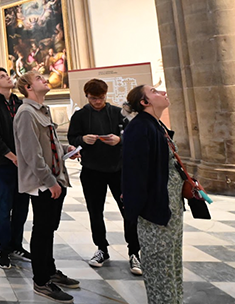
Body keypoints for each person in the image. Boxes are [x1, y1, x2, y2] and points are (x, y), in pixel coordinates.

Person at [14, 71, 79, 303]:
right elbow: (31, 154)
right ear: (28, 88)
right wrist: (50, 182)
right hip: (43, 183)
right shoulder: (25, 113)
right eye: (39, 78)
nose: (44, 79)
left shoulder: (42, 110)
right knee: (42, 230)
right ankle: (41, 281)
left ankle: (50, 270)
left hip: (54, 178)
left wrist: (65, 148)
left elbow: (46, 144)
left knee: (49, 227)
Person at [67, 79, 140, 275]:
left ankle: (134, 251)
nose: (97, 102)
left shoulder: (118, 113)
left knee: (128, 210)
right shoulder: (81, 115)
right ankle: (102, 249)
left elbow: (133, 136)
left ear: (106, 95)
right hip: (92, 170)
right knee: (95, 211)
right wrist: (82, 139)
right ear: (87, 97)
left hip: (119, 169)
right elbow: (72, 138)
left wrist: (119, 139)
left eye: (101, 98)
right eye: (93, 98)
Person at [121, 85, 183, 304]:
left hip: (170, 205)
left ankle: (174, 300)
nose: (164, 92)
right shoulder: (138, 128)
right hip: (155, 210)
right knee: (160, 267)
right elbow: (134, 174)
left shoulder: (156, 124)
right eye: (155, 91)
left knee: (172, 260)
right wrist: (140, 210)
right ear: (144, 102)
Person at [0, 67, 31, 269]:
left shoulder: (20, 104)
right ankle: (4, 250)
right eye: (2, 77)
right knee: (5, 206)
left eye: (7, 75)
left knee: (22, 206)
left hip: (24, 164)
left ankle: (16, 245)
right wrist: (12, 157)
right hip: (4, 164)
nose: (8, 78)